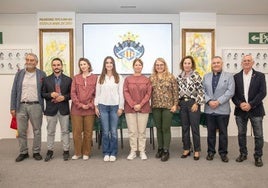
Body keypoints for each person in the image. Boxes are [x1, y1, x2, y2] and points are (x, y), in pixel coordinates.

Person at [10, 53, 46, 162]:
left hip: (36, 106)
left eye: (31, 60)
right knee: (21, 131)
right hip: (21, 106)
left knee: (37, 130)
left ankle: (36, 151)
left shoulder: (42, 74)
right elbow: (14, 91)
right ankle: (23, 152)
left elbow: (45, 91)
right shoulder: (19, 74)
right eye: (27, 60)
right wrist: (12, 107)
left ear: (36, 62)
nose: (29, 62)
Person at [232, 54, 266, 167]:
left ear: (252, 63)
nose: (246, 62)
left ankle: (258, 156)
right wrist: (240, 103)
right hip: (240, 110)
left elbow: (262, 93)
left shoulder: (260, 76)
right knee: (241, 134)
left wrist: (250, 104)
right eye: (244, 61)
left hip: (256, 110)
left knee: (259, 135)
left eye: (248, 61)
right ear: (241, 63)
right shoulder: (236, 77)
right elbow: (233, 95)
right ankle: (243, 154)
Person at [203, 56, 235, 163]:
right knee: (210, 133)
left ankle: (223, 153)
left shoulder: (229, 76)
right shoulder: (206, 76)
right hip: (209, 109)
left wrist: (218, 102)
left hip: (223, 109)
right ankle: (211, 152)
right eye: (214, 63)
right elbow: (202, 91)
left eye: (218, 63)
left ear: (222, 64)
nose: (216, 64)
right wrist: (209, 101)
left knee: (223, 133)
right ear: (211, 65)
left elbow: (230, 92)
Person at [41, 57, 72, 162]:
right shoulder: (46, 80)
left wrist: (64, 97)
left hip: (63, 109)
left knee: (65, 131)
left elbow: (71, 94)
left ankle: (66, 151)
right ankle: (50, 151)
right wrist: (50, 94)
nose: (56, 67)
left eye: (58, 65)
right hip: (51, 109)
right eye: (54, 65)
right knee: (50, 132)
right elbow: (42, 94)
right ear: (52, 66)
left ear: (62, 66)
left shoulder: (68, 79)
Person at [94, 56, 124, 162]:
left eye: (111, 62)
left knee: (113, 132)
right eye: (107, 62)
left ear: (113, 64)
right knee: (106, 132)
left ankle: (113, 153)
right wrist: (96, 106)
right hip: (103, 106)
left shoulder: (119, 77)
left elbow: (121, 93)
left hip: (115, 106)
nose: (109, 64)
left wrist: (121, 107)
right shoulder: (100, 77)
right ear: (104, 65)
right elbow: (97, 93)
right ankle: (106, 152)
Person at [150, 57, 179, 162]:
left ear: (165, 66)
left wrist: (175, 104)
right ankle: (160, 148)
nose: (159, 67)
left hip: (168, 107)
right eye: (157, 65)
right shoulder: (152, 78)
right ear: (155, 67)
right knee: (158, 128)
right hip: (156, 106)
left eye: (161, 65)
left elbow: (175, 92)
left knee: (165, 128)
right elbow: (149, 93)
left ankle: (166, 150)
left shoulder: (171, 77)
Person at [123, 58, 152, 160]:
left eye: (140, 65)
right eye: (136, 65)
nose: (138, 66)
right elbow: (125, 92)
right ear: (133, 66)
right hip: (130, 109)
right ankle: (133, 151)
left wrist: (141, 104)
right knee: (132, 131)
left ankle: (142, 151)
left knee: (142, 131)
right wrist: (133, 104)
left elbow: (148, 94)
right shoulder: (127, 79)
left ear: (142, 66)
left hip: (143, 108)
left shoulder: (147, 80)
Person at [177, 56, 204, 160]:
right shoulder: (179, 77)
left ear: (192, 64)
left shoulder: (196, 76)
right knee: (184, 128)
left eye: (189, 63)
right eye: (185, 63)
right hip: (182, 104)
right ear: (182, 65)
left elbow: (201, 91)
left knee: (195, 128)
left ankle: (197, 150)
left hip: (193, 104)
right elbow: (177, 91)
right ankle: (186, 148)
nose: (187, 65)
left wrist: (197, 103)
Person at [71, 58, 98, 160]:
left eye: (84, 64)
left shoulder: (95, 78)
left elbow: (97, 93)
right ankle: (78, 153)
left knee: (88, 132)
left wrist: (90, 104)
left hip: (90, 110)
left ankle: (86, 152)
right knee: (77, 132)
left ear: (88, 65)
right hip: (77, 110)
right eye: (81, 64)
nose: (83, 66)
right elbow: (73, 93)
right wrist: (80, 105)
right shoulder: (76, 78)